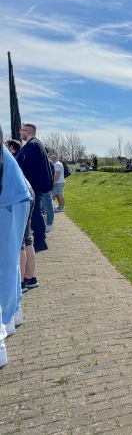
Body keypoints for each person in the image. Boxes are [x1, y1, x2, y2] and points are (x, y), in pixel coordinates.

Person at [0, 131, 33, 368]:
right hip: (14, 197)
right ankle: (11, 313)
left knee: (5, 263)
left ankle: (7, 317)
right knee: (7, 261)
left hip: (9, 199)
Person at [15, 123, 54, 252]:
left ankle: (40, 240)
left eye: (22, 130)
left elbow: (26, 165)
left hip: (33, 185)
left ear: (27, 132)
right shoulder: (36, 145)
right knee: (36, 212)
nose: (20, 133)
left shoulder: (32, 145)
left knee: (35, 213)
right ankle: (39, 239)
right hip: (35, 185)